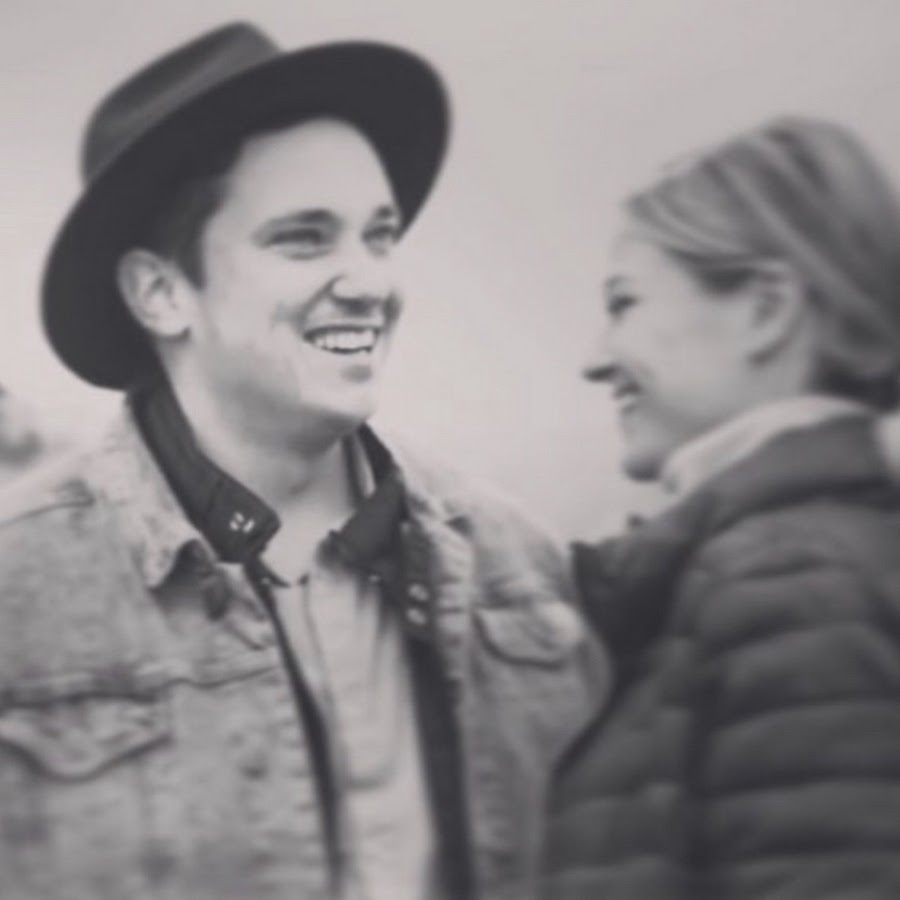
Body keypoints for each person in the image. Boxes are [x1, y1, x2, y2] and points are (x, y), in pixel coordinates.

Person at [0, 23, 604, 900]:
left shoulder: (522, 568)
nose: (370, 283)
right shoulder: (19, 592)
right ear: (160, 293)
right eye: (305, 239)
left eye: (379, 236)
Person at [542, 116, 900, 899]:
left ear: (767, 309)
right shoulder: (793, 562)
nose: (596, 359)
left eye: (624, 304)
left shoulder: (790, 581)